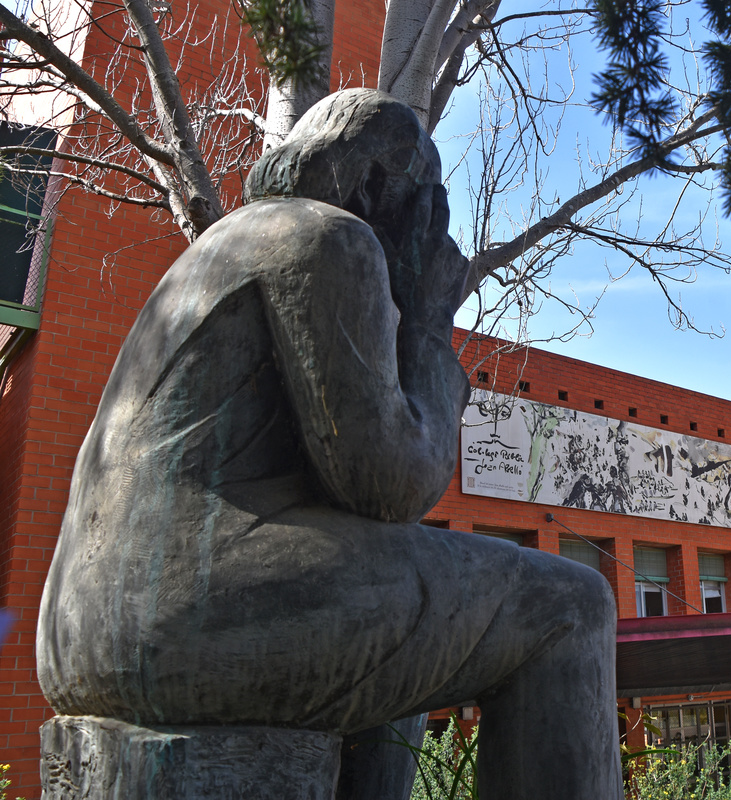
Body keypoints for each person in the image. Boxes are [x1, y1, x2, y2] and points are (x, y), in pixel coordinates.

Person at [37, 89, 621, 799]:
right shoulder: (328, 240)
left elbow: (364, 513)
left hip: (83, 630)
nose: (433, 234)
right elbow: (392, 483)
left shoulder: (225, 243)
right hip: (180, 620)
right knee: (571, 604)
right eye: (427, 207)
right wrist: (430, 327)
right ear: (376, 184)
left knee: (408, 598)